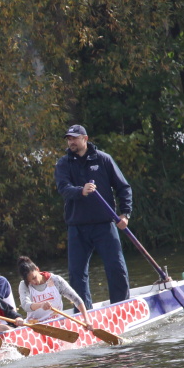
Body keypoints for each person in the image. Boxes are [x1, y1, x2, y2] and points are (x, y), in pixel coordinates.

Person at [55, 124, 131, 307]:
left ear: (85, 139)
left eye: (74, 138)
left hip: (104, 224)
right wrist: (81, 191)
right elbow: (63, 188)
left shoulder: (103, 159)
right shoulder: (64, 163)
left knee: (116, 268)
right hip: (77, 226)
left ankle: (121, 307)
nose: (71, 142)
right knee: (77, 274)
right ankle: (84, 313)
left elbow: (123, 188)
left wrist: (125, 214)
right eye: (69, 139)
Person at [16, 256, 91, 326]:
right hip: (36, 325)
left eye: (34, 278)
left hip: (57, 323)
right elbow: (25, 305)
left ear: (37, 269)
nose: (33, 282)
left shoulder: (55, 280)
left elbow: (76, 299)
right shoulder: (24, 285)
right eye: (29, 281)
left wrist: (86, 319)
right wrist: (41, 305)